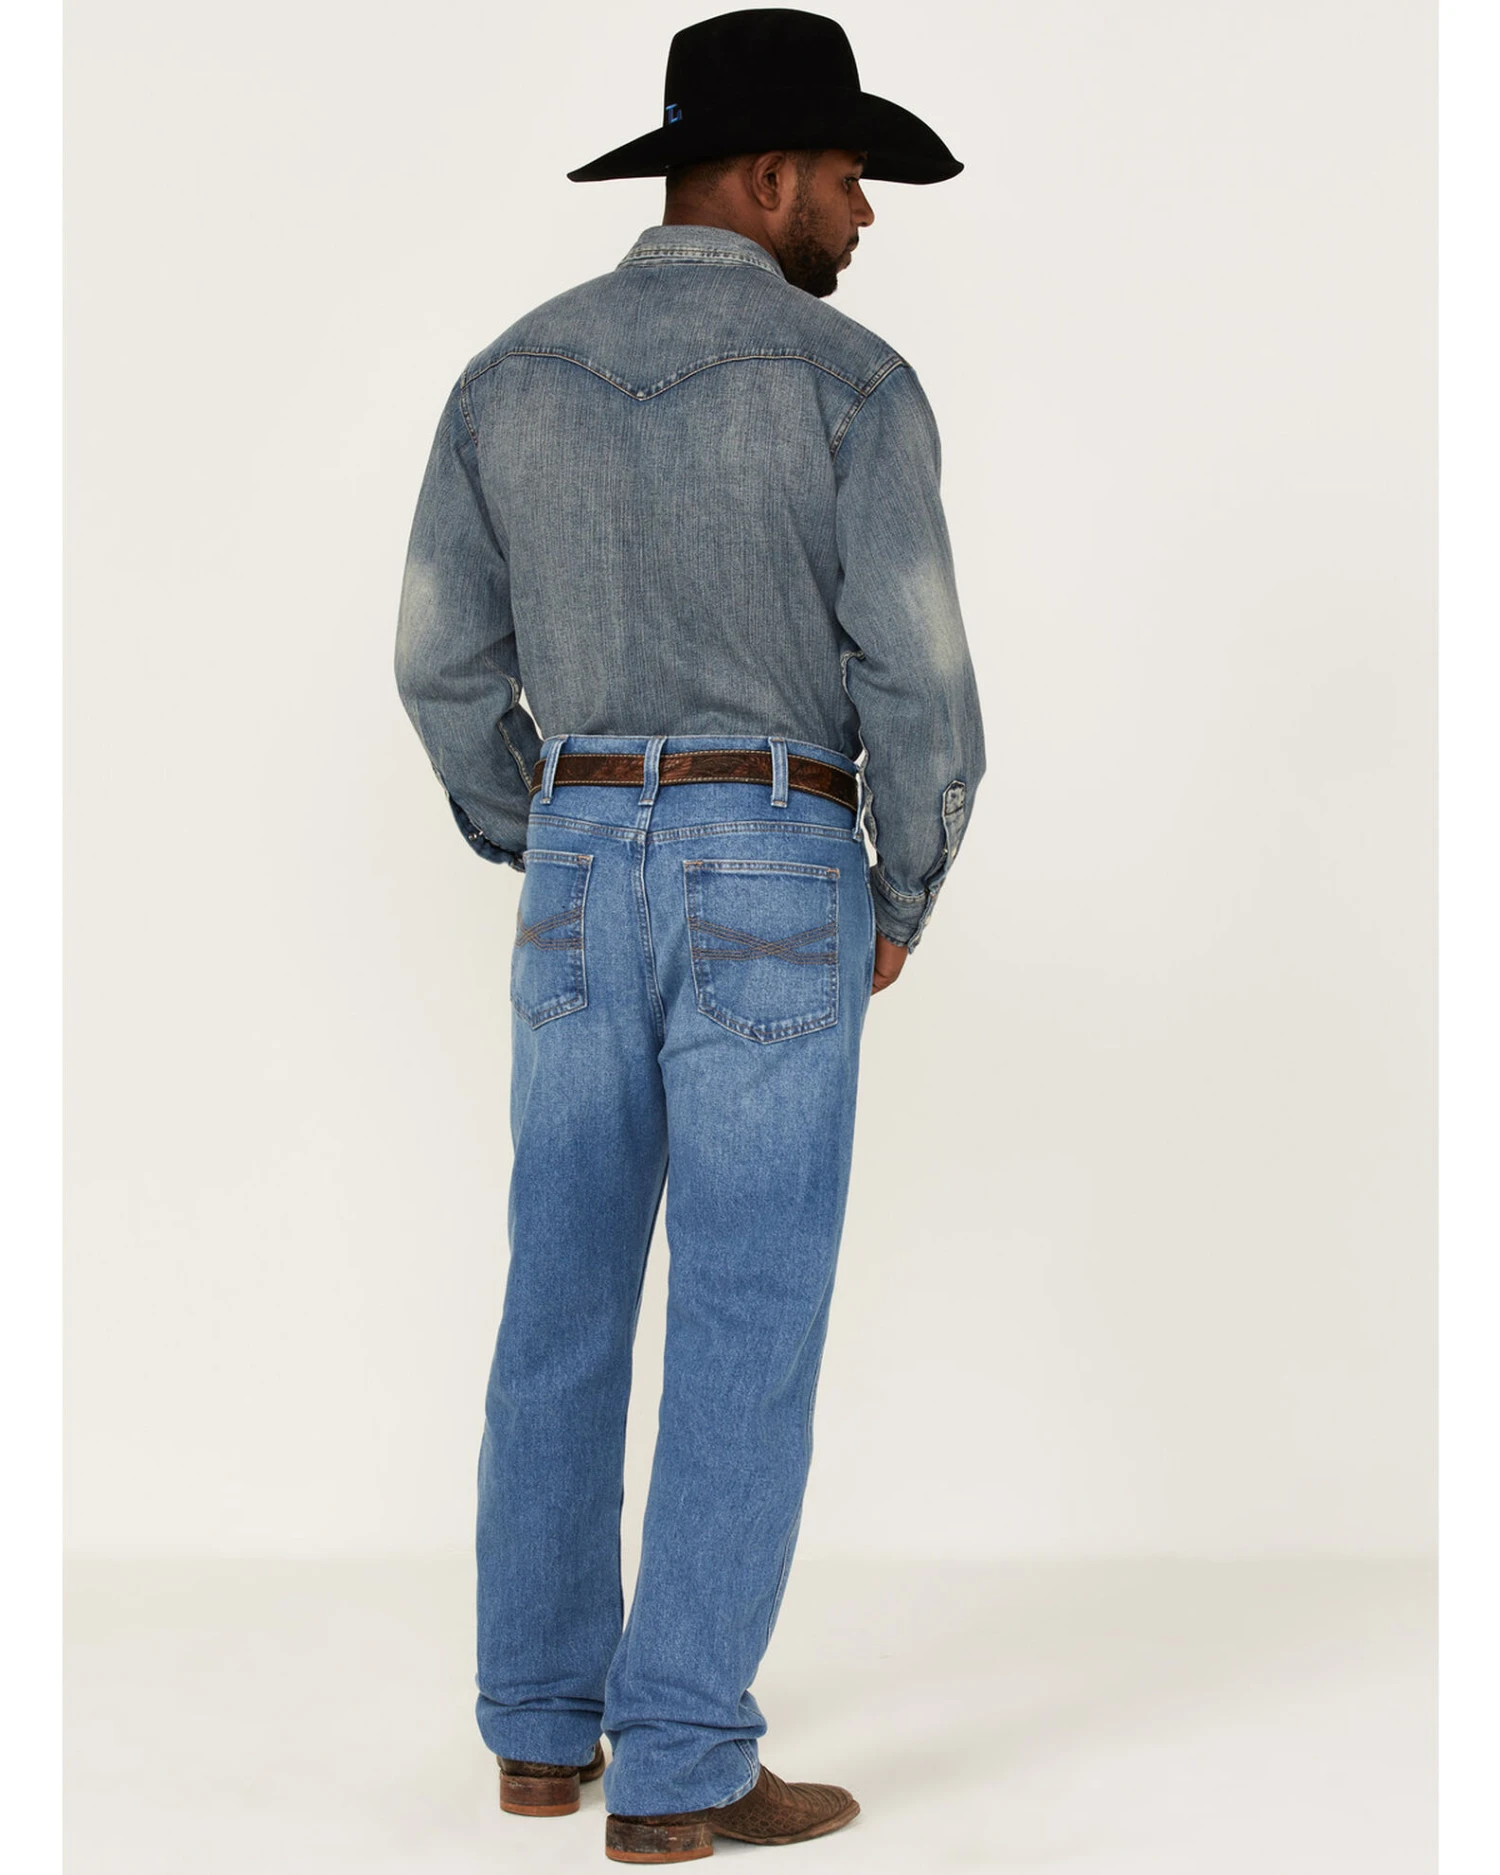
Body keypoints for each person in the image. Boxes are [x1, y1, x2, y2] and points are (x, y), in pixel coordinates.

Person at [393, 7, 985, 1861]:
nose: (865, 216)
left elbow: (438, 661)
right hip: (774, 863)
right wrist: (899, 884)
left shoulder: (508, 374)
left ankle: (537, 1725)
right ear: (767, 174)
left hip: (579, 860)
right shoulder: (850, 383)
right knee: (746, 1311)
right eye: (851, 179)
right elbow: (921, 680)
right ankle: (681, 1761)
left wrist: (550, 832)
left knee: (558, 1292)